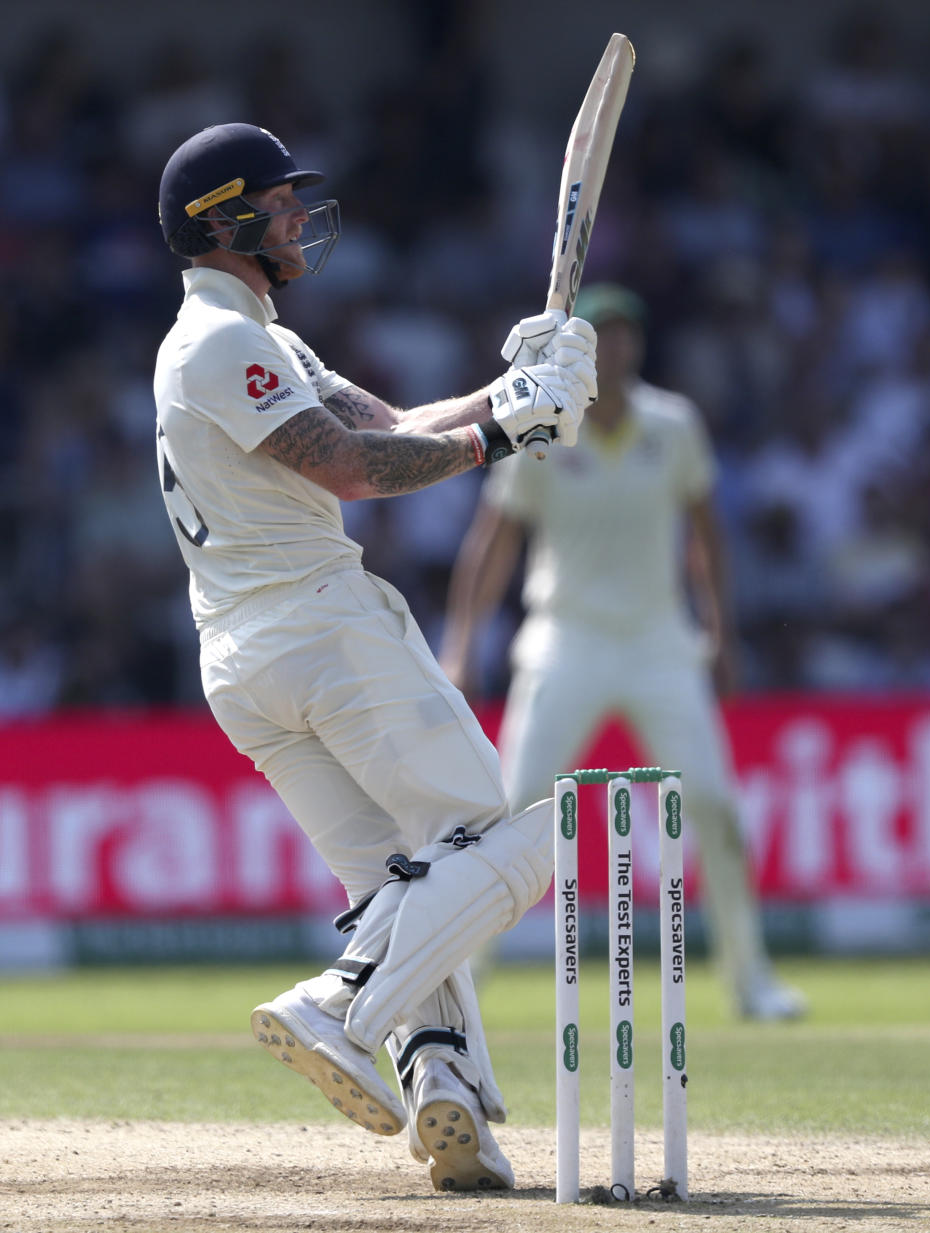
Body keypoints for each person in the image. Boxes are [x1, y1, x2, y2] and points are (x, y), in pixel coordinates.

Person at [153, 122, 598, 1191]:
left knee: (400, 877)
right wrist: (505, 438)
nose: (301, 216)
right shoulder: (223, 343)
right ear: (224, 221)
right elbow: (353, 469)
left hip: (245, 662)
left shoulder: (259, 339)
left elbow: (394, 421)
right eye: (280, 200)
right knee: (503, 840)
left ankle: (444, 1091)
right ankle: (341, 1003)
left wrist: (513, 393)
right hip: (316, 628)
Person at [441, 282, 806, 1021]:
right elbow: (492, 543)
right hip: (563, 637)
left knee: (713, 804)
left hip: (659, 641)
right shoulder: (541, 429)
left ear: (639, 345)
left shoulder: (673, 425)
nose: (613, 347)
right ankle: (464, 978)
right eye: (599, 335)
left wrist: (722, 635)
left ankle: (750, 978)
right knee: (511, 810)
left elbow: (707, 537)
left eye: (624, 335)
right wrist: (461, 642)